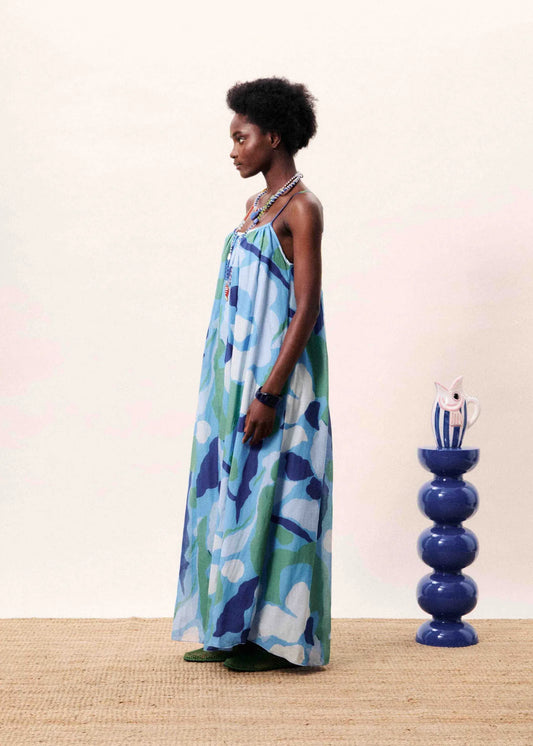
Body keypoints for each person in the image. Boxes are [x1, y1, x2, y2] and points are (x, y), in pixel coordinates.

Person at [171, 77, 333, 672]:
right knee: (230, 492)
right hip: (233, 377)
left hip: (277, 382)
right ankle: (228, 628)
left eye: (242, 137)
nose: (233, 150)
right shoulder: (254, 208)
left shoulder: (302, 208)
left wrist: (269, 391)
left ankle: (276, 641)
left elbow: (305, 308)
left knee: (276, 494)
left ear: (274, 137)